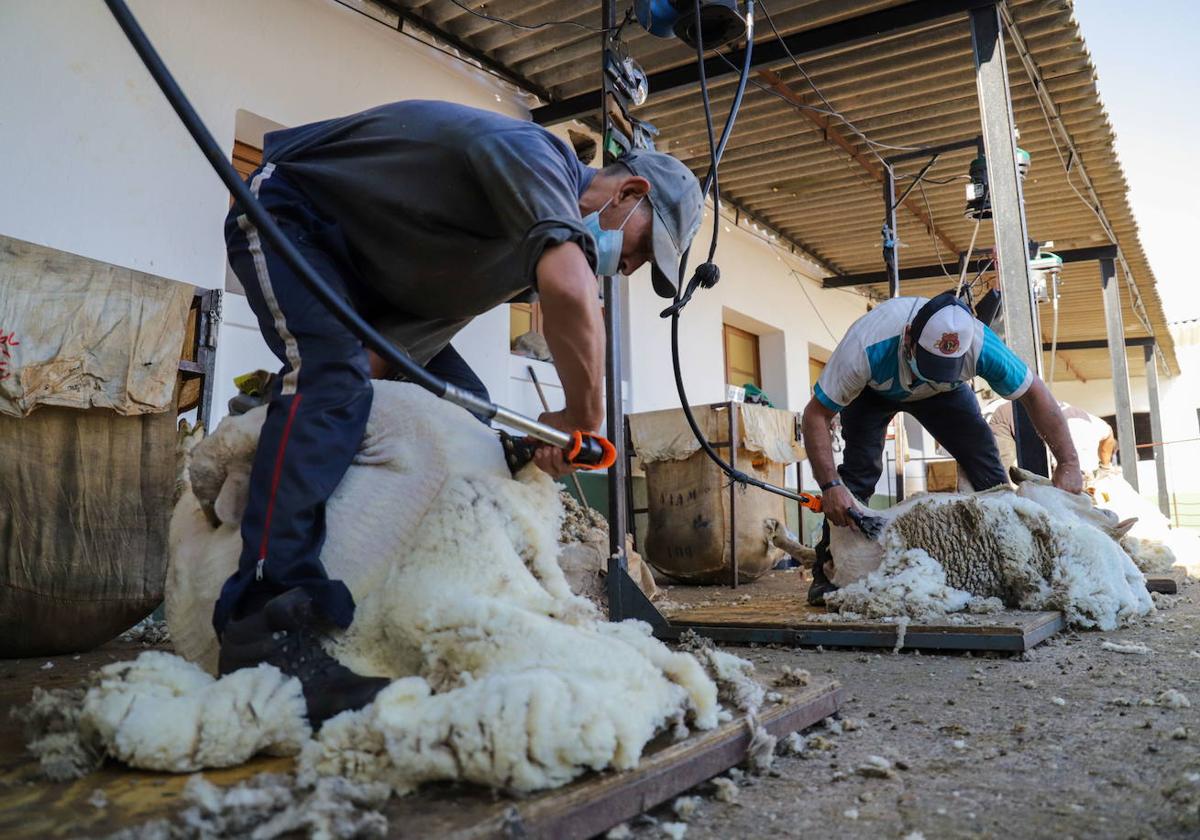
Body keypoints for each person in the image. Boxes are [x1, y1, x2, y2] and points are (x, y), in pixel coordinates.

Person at [216, 100, 703, 722]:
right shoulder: (535, 160)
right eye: (639, 250)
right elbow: (572, 291)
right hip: (291, 212)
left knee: (467, 426)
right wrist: (584, 417)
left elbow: (390, 357)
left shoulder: (504, 258)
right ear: (629, 192)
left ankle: (414, 601)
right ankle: (263, 627)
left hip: (371, 285)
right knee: (328, 378)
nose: (626, 268)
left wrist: (530, 441)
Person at [800, 292, 1083, 605]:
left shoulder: (981, 344)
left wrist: (1068, 463)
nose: (931, 372)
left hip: (945, 394)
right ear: (908, 337)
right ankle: (827, 572)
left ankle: (1007, 564)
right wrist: (830, 485)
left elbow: (1035, 393)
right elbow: (816, 415)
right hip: (872, 391)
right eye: (929, 363)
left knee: (987, 469)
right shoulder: (867, 346)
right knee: (858, 474)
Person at [986, 398, 1116, 478]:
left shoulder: (1097, 426)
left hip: (1042, 415)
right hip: (1005, 415)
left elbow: (1109, 437)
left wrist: (1106, 467)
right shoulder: (1058, 450)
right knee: (1004, 479)